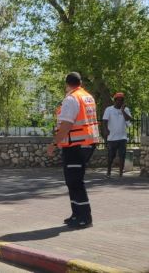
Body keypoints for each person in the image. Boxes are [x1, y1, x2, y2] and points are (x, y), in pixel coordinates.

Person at [47, 72, 100, 229]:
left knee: (75, 181)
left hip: (75, 145)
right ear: (80, 82)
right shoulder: (87, 96)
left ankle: (84, 217)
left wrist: (54, 144)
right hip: (87, 143)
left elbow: (66, 125)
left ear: (66, 84)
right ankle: (76, 214)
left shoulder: (71, 99)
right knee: (73, 180)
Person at [103, 92, 132, 178]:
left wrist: (123, 111)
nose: (120, 102)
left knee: (122, 155)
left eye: (121, 100)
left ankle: (120, 173)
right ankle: (108, 172)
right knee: (111, 156)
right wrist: (106, 130)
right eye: (118, 100)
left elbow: (129, 119)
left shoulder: (126, 109)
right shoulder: (109, 109)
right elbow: (105, 121)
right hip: (112, 138)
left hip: (122, 137)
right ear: (115, 101)